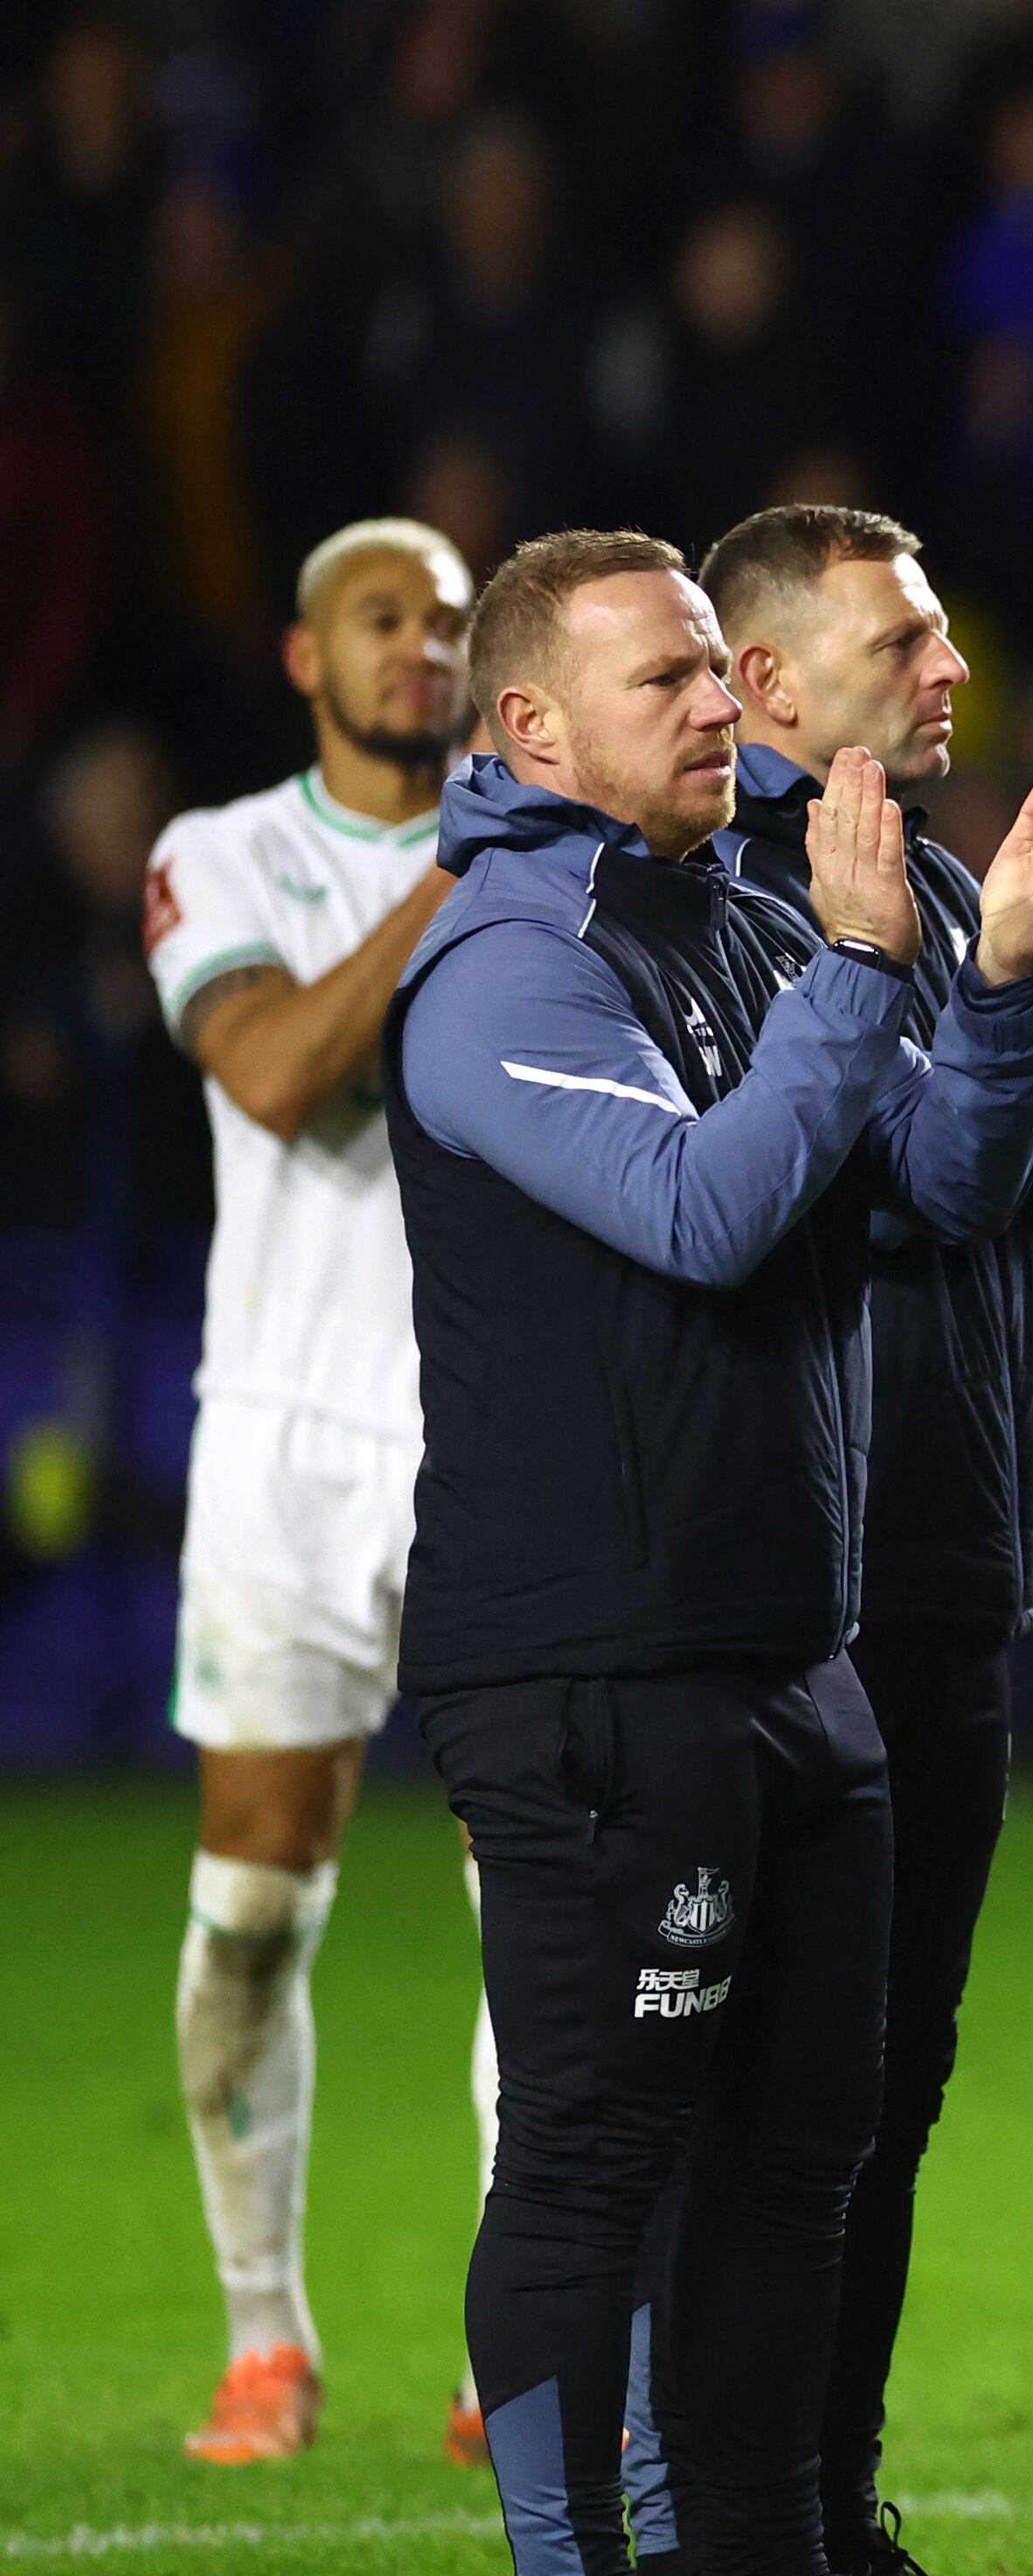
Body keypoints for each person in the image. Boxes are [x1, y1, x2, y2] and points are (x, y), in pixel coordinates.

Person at [393, 530, 1033, 2576]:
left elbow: (932, 1187)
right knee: (601, 2152)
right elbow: (711, 1214)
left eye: (721, 671)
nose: (721, 708)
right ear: (532, 729)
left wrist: (990, 988)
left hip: (792, 1644)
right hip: (595, 1658)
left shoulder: (734, 915)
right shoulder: (498, 968)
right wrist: (868, 969)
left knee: (803, 2148)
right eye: (665, 682)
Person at [600, 503, 1033, 2576]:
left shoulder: (938, 881)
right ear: (768, 685)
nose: (952, 665)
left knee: (879, 2079)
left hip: (942, 1553)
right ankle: (706, 2553)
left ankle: (815, 2521)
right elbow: (934, 1177)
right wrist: (997, 992)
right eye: (904, 637)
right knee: (762, 2093)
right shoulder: (747, 905)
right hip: (804, 1570)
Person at [147, 516, 495, 2466]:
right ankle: (265, 2337)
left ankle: (499, 2354)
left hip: (488, 1428)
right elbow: (276, 1067)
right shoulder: (222, 854)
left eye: (450, 620)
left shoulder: (551, 866)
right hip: (283, 1433)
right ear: (307, 657)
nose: (421, 648)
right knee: (254, 1906)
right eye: (385, 617)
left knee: (530, 1901)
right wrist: (463, 869)